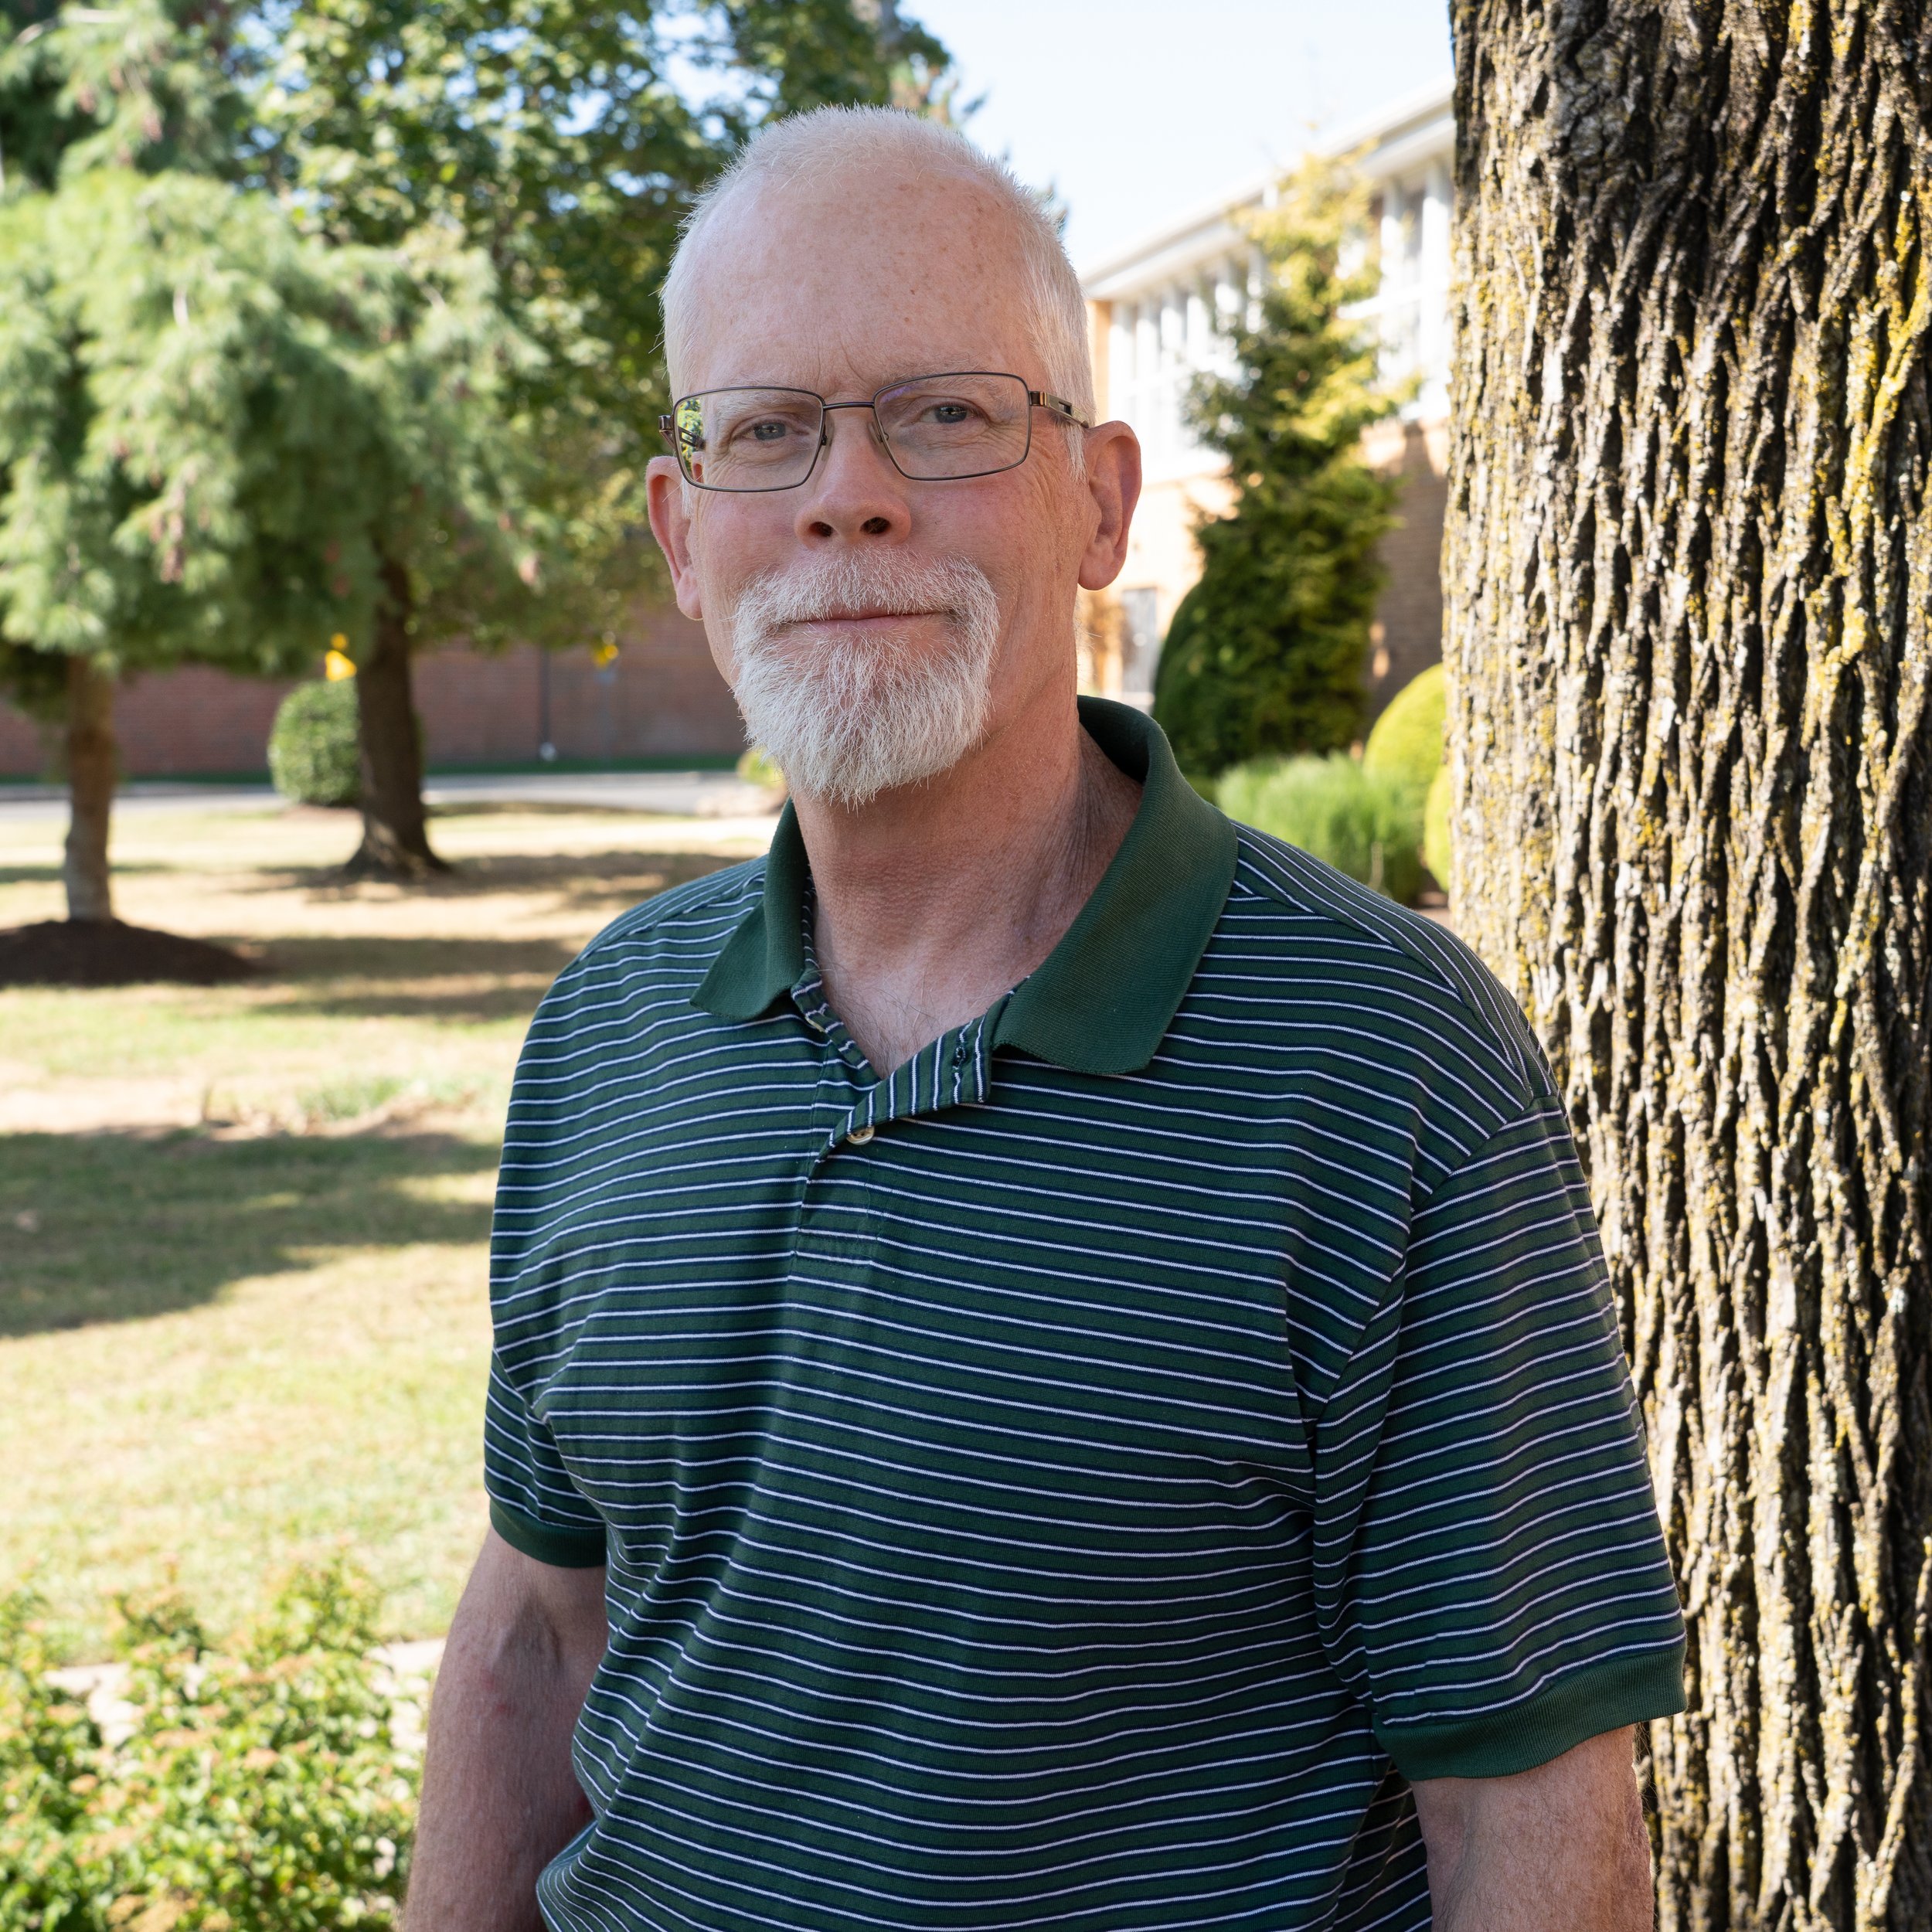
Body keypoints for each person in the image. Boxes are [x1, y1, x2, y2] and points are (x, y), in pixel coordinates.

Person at [406, 107, 1685, 1932]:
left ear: (1099, 500)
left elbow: (1528, 1812)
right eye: (768, 429)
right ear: (683, 535)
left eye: (942, 413)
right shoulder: (610, 1031)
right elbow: (540, 1627)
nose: (847, 494)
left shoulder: (1382, 1061)